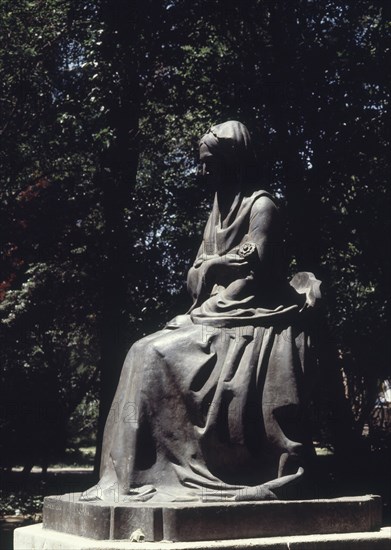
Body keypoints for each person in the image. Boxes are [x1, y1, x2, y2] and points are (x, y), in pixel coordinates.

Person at [81, 121, 320, 503]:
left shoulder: (262, 205)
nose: (203, 171)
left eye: (210, 163)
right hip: (215, 309)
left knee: (153, 352)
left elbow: (257, 267)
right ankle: (130, 475)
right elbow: (199, 271)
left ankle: (160, 471)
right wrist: (206, 272)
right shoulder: (217, 207)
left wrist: (215, 275)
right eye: (201, 162)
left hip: (252, 309)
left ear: (233, 161)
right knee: (141, 349)